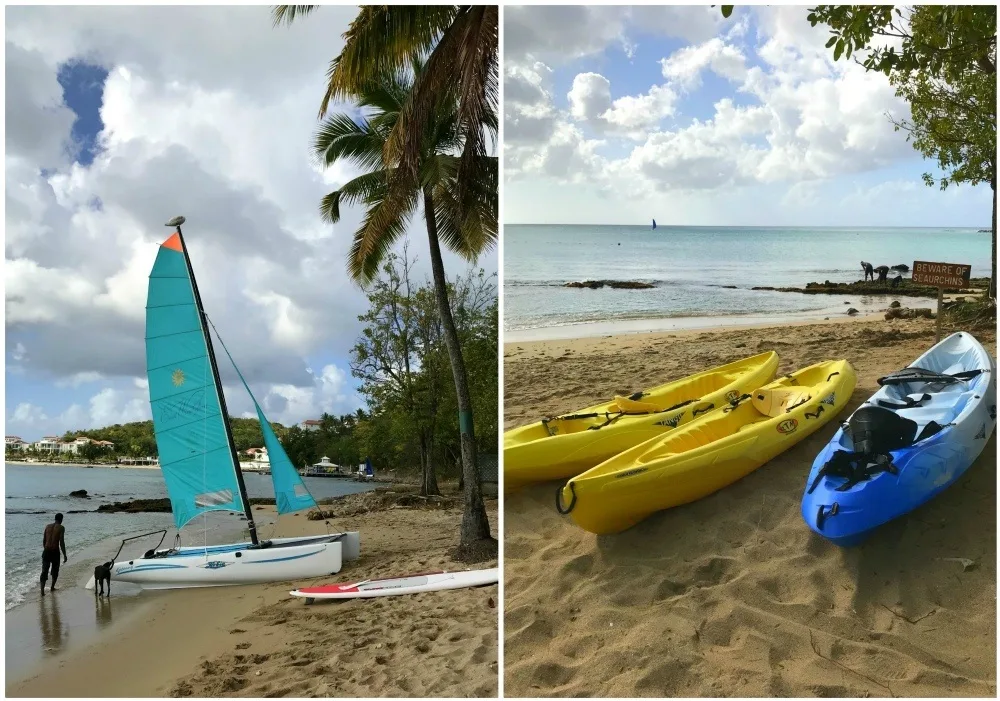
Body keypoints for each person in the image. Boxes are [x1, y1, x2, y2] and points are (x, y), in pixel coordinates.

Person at [41, 513, 67, 596]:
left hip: (46, 551)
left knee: (44, 570)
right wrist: (65, 555)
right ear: (61, 519)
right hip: (55, 552)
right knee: (55, 571)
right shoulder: (61, 528)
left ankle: (42, 591)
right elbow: (61, 542)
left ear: (55, 518)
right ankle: (52, 587)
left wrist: (45, 549)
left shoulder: (47, 526)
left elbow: (44, 540)